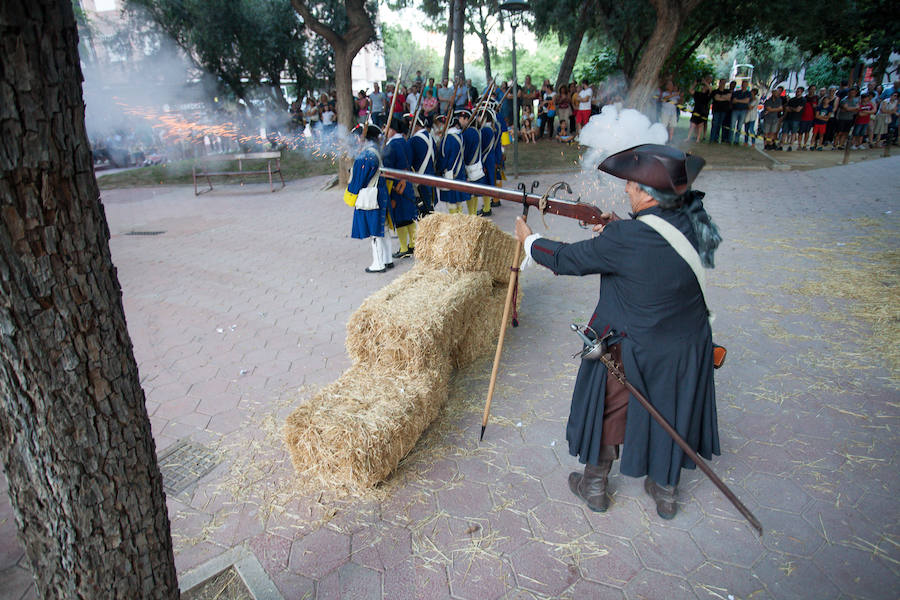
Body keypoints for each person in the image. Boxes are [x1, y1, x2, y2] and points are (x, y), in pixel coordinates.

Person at [514, 144, 721, 519]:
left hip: (634, 346)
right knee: (672, 410)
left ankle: (594, 485)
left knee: (607, 406)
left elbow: (565, 259)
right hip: (687, 345)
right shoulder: (693, 218)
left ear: (646, 192)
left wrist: (529, 240)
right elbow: (655, 246)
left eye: (631, 184)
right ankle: (666, 491)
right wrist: (615, 227)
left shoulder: (625, 238)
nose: (626, 189)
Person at [343, 124, 393, 273]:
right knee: (383, 229)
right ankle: (387, 259)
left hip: (371, 198)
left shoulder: (364, 157)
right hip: (380, 194)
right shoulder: (376, 152)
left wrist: (350, 196)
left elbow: (357, 182)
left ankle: (378, 264)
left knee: (375, 233)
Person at [383, 117, 419, 258]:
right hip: (407, 182)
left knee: (400, 218)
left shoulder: (391, 146)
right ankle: (413, 244)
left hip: (396, 185)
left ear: (392, 129)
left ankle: (404, 248)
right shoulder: (404, 142)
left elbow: (388, 169)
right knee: (409, 216)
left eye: (386, 127)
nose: (385, 130)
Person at [437, 113, 467, 214]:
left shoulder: (447, 139)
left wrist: (439, 170)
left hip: (450, 173)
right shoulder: (460, 136)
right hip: (460, 173)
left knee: (451, 202)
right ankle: (460, 219)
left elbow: (443, 158)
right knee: (458, 201)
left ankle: (455, 221)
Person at [408, 113, 438, 214]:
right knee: (430, 208)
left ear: (416, 125)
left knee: (423, 212)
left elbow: (409, 161)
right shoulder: (430, 137)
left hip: (420, 180)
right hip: (431, 178)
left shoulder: (413, 141)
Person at [458, 109, 484, 215]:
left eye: (461, 118)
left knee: (470, 193)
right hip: (477, 164)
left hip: (470, 166)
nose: (459, 120)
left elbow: (465, 152)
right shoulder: (475, 130)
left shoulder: (468, 133)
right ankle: (473, 214)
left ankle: (471, 214)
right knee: (474, 193)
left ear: (467, 119)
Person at [477, 109, 499, 216]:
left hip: (486, 159)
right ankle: (487, 206)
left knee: (485, 184)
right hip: (490, 158)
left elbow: (482, 148)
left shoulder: (485, 130)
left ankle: (487, 208)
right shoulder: (490, 128)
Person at [688, 78, 711, 142]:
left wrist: (705, 82)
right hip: (696, 110)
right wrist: (695, 83)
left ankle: (698, 139)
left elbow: (711, 89)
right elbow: (690, 90)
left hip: (703, 111)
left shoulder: (708, 95)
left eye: (705, 87)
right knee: (692, 124)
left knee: (700, 125)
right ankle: (688, 137)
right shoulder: (697, 93)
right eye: (703, 86)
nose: (703, 87)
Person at [709, 79, 731, 143]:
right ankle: (712, 138)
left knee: (719, 125)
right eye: (722, 82)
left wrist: (720, 97)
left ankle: (716, 138)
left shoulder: (727, 91)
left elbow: (729, 98)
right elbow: (716, 98)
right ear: (719, 83)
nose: (723, 84)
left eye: (724, 83)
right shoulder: (715, 91)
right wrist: (724, 97)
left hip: (724, 110)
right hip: (716, 110)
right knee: (714, 124)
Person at [730, 81, 752, 145]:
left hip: (743, 111)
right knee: (732, 125)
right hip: (735, 110)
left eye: (745, 84)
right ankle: (730, 139)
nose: (744, 85)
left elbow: (747, 101)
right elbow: (733, 101)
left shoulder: (748, 93)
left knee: (739, 126)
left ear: (747, 85)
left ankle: (736, 140)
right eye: (743, 84)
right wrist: (742, 101)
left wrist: (738, 100)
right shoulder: (736, 92)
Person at [798, 86, 817, 150]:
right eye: (811, 89)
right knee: (800, 132)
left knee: (807, 132)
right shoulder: (804, 98)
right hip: (803, 118)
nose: (812, 91)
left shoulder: (816, 98)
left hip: (811, 118)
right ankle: (799, 144)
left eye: (814, 89)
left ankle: (805, 144)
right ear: (808, 90)